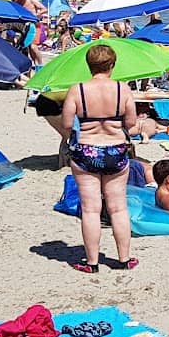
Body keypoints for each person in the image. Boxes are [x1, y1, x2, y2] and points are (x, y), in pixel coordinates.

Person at [61, 44, 135, 273]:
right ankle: (124, 259)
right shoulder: (123, 89)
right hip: (115, 150)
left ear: (89, 65)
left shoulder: (77, 90)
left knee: (91, 209)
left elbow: (66, 125)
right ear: (112, 65)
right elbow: (130, 124)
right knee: (118, 208)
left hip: (86, 150)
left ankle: (92, 263)